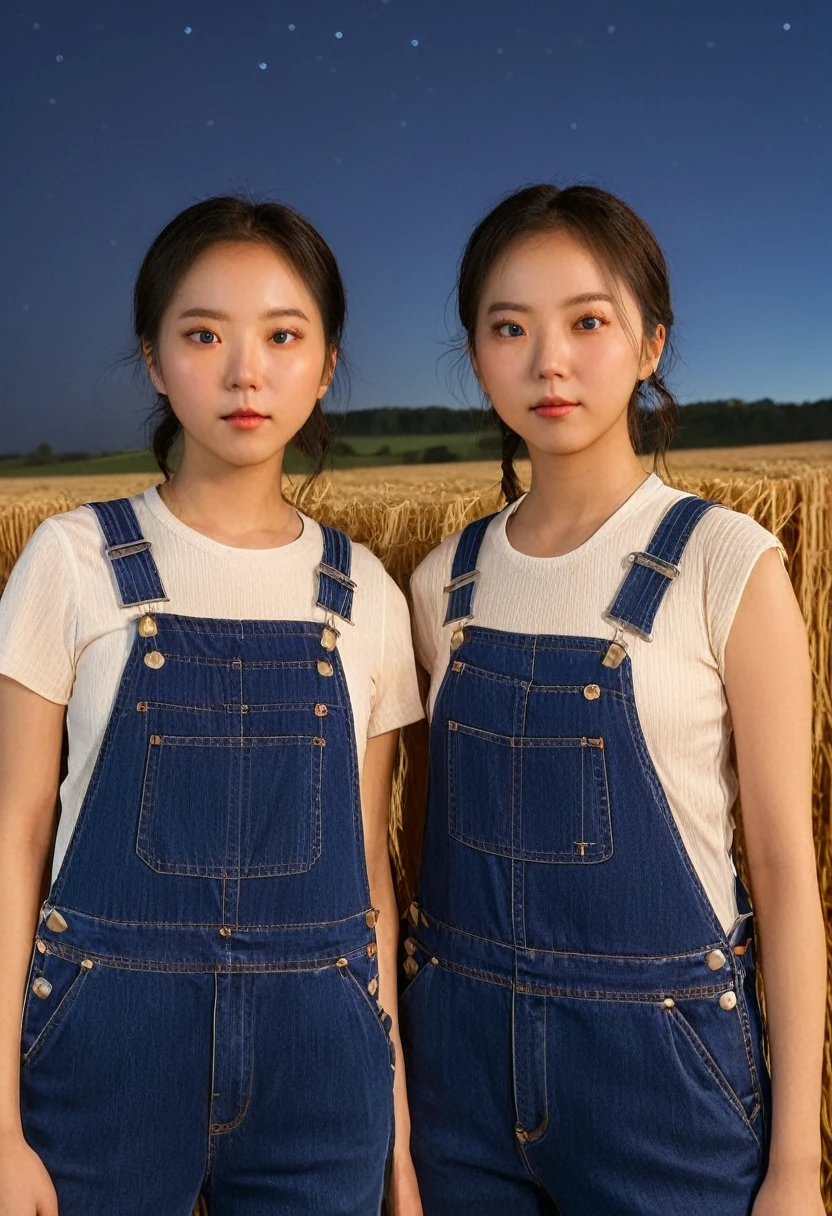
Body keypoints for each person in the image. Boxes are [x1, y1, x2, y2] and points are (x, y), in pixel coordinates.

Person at [400, 183, 826, 1215]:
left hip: (664, 1082)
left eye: (588, 321)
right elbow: (419, 856)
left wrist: (794, 1164)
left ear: (649, 346)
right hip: (457, 1076)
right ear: (476, 355)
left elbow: (780, 871)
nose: (548, 361)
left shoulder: (728, 564)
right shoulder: (439, 585)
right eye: (510, 327)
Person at [0, 195, 424, 1215]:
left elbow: (369, 871)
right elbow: (13, 834)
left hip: (322, 1073)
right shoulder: (73, 559)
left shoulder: (364, 590)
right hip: (104, 1061)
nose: (245, 372)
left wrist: (399, 1148)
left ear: (324, 365)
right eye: (203, 335)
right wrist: (0, 1124)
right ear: (153, 358)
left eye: (283, 336)